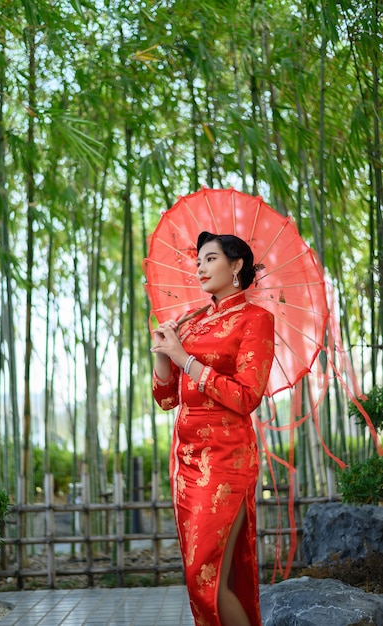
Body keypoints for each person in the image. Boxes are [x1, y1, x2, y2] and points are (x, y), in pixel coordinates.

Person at [150, 231, 274, 626]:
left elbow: (247, 396)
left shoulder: (257, 319)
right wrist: (164, 354)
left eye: (210, 259)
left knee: (207, 575)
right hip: (186, 461)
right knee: (198, 577)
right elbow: (168, 400)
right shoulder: (193, 321)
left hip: (226, 460)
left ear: (236, 265)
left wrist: (186, 360)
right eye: (198, 260)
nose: (200, 267)